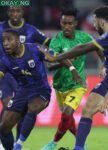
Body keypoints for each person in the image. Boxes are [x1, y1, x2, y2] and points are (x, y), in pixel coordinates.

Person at [39, 0, 108, 149]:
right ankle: (79, 148)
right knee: (88, 108)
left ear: (103, 21)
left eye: (95, 22)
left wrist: (107, 97)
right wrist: (104, 65)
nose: (94, 25)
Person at [0, 29, 82, 150]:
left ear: (18, 41)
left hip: (41, 91)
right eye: (3, 41)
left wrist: (72, 69)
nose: (5, 43)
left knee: (33, 107)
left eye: (9, 40)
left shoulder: (34, 49)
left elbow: (58, 56)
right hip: (21, 93)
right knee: (3, 128)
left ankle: (19, 144)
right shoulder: (4, 60)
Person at [0, 6, 51, 150]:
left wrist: (65, 57)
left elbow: (50, 45)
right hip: (5, 74)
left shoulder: (31, 32)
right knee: (7, 105)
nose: (5, 43)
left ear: (23, 13)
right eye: (12, 11)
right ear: (8, 12)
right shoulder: (1, 28)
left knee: (27, 108)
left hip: (22, 78)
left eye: (18, 11)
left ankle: (18, 143)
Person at [41, 8, 93, 150]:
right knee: (67, 119)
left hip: (77, 84)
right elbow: (50, 66)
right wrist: (66, 60)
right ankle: (80, 141)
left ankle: (53, 143)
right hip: (60, 85)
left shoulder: (84, 38)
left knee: (67, 113)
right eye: (64, 23)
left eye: (70, 23)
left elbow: (99, 48)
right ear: (60, 22)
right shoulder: (57, 40)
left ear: (76, 23)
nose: (67, 27)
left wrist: (103, 65)